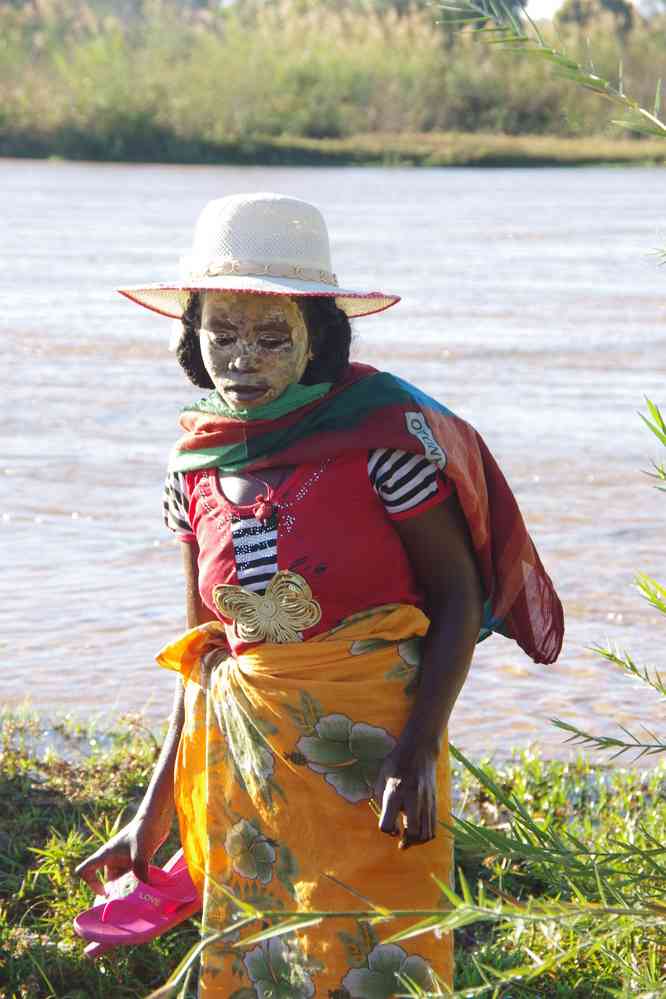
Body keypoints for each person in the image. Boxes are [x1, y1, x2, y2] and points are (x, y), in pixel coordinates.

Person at [76, 192, 563, 996]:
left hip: (374, 759)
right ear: (191, 339)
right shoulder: (192, 469)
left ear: (318, 340)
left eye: (272, 337)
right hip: (246, 768)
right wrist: (151, 814)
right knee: (263, 958)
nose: (243, 358)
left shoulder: (382, 445)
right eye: (222, 334)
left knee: (378, 958)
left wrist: (417, 753)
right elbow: (205, 657)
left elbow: (456, 597)